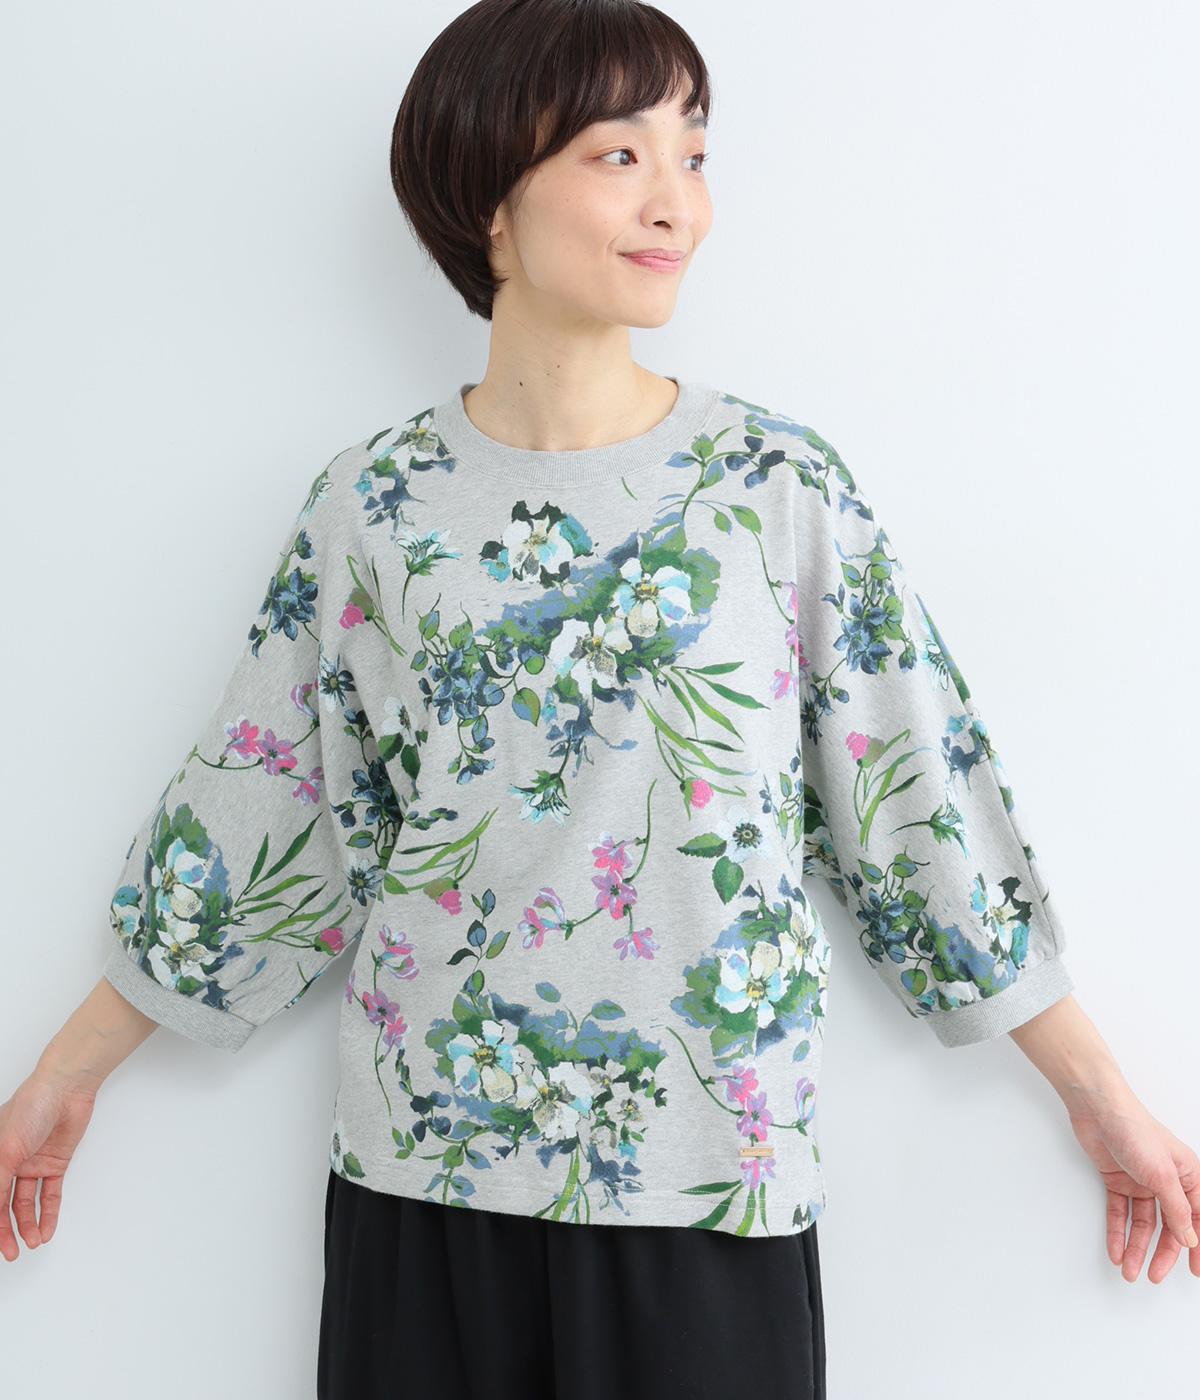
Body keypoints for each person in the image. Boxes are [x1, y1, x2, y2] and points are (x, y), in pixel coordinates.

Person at [3, 1, 1197, 1396]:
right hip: (425, 1181)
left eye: (693, 153)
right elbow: (272, 811)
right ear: (489, 198)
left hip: (707, 1188)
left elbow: (913, 802)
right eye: (619, 154)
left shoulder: (774, 489)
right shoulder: (373, 504)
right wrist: (66, 1074)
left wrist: (1099, 1098)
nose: (676, 200)